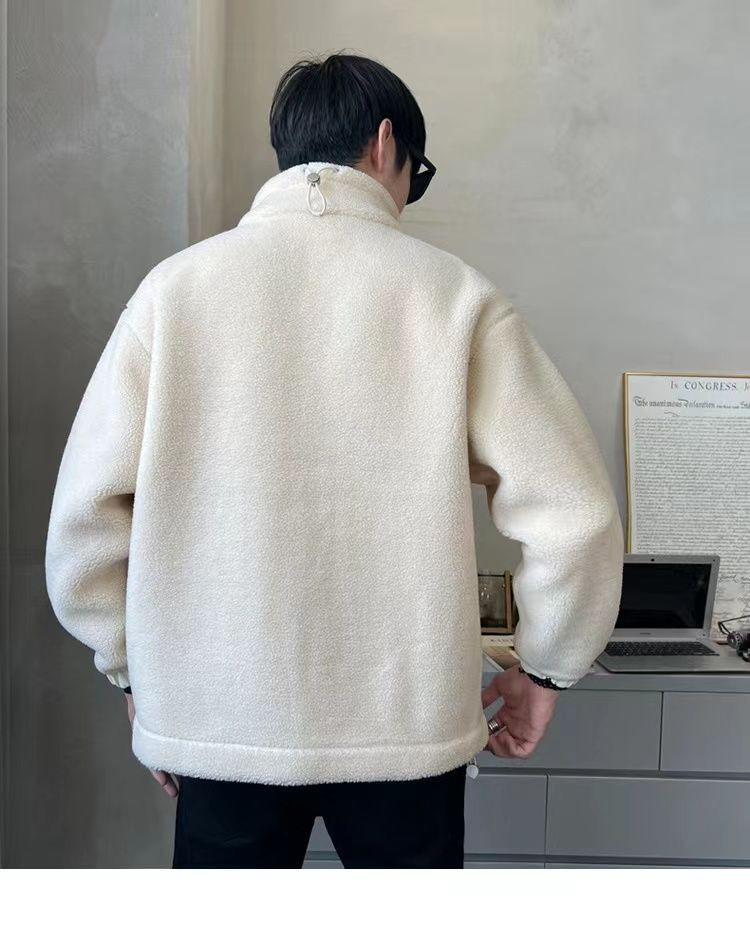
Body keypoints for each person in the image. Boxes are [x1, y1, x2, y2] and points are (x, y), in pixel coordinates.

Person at [44, 52, 624, 868]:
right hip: (407, 733)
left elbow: (85, 522)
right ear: (386, 144)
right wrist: (546, 669)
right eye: (416, 175)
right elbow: (575, 514)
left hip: (221, 724)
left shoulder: (172, 295)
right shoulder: (456, 298)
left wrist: (137, 676)